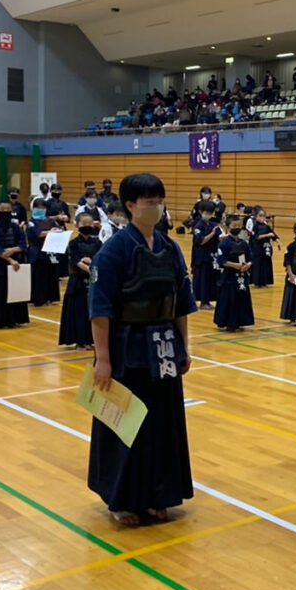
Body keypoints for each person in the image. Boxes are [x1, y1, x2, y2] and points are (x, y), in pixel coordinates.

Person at [86, 172, 195, 526]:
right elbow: (99, 309)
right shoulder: (113, 251)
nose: (157, 207)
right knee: (126, 426)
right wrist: (103, 360)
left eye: (159, 200)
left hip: (163, 348)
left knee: (162, 423)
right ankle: (122, 499)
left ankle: (158, 495)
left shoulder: (170, 247)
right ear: (130, 206)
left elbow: (181, 302)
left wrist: (185, 348)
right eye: (149, 202)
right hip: (126, 348)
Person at [0, 199, 30, 329]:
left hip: (15, 264)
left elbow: (23, 243)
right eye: (2, 210)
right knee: (1, 292)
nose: (5, 212)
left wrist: (14, 250)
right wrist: (10, 260)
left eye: (7, 210)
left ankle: (16, 319)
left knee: (15, 292)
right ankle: (0, 321)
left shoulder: (16, 227)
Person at [59, 212, 100, 347]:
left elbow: (101, 259)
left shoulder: (97, 242)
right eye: (84, 224)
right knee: (79, 312)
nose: (87, 226)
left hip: (94, 281)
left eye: (90, 223)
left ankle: (91, 340)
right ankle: (80, 341)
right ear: (77, 225)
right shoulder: (73, 243)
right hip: (78, 282)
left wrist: (92, 262)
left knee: (91, 312)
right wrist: (91, 269)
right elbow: (77, 261)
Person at [213, 214, 254, 332]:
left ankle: (242, 321)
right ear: (228, 227)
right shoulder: (224, 244)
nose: (237, 228)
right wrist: (235, 266)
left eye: (239, 226)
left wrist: (248, 265)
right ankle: (229, 322)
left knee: (242, 298)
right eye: (234, 226)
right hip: (229, 277)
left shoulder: (244, 243)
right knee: (229, 299)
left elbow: (251, 257)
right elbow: (221, 261)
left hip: (242, 276)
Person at [27, 198, 62, 306]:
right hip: (36, 250)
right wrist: (50, 232)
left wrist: (57, 231)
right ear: (34, 208)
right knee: (38, 275)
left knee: (50, 274)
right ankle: (38, 298)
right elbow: (35, 234)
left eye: (43, 208)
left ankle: (50, 297)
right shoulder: (31, 222)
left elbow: (58, 229)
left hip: (50, 250)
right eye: (38, 208)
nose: (40, 210)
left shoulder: (51, 221)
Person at [191, 201, 221, 310]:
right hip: (201, 257)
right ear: (200, 211)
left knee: (210, 278)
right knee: (202, 279)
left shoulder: (213, 224)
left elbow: (219, 237)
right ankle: (203, 302)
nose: (209, 214)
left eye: (211, 212)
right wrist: (212, 234)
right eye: (206, 212)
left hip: (212, 256)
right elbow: (201, 241)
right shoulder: (197, 225)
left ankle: (208, 300)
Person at [249, 208, 280, 287]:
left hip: (266, 248)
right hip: (257, 248)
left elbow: (273, 234)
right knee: (258, 264)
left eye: (264, 216)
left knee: (266, 264)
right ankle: (257, 282)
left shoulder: (267, 226)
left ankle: (265, 281)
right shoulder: (255, 226)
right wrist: (267, 235)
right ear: (256, 217)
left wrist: (277, 241)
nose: (262, 218)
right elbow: (257, 237)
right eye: (260, 216)